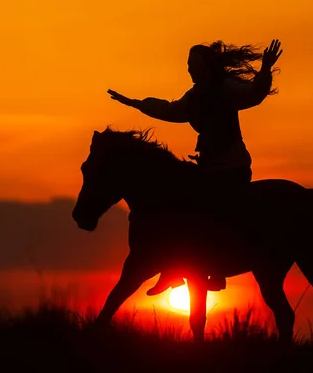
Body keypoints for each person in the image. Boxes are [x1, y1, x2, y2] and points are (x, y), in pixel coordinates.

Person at [107, 39, 283, 296]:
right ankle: (174, 269)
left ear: (206, 67)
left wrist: (265, 69)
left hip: (232, 168)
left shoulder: (225, 89)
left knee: (212, 211)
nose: (188, 69)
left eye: (192, 64)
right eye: (188, 65)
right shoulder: (194, 98)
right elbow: (170, 109)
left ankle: (215, 272)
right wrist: (137, 103)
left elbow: (254, 94)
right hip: (208, 169)